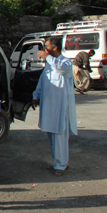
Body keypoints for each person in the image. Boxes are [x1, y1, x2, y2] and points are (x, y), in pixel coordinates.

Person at [31, 36, 77, 176]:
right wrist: (35, 96)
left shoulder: (65, 62)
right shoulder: (49, 65)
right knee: (51, 134)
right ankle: (60, 160)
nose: (45, 49)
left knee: (60, 135)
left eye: (47, 46)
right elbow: (42, 81)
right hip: (48, 106)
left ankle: (61, 165)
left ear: (55, 47)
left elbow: (61, 68)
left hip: (60, 106)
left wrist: (47, 57)